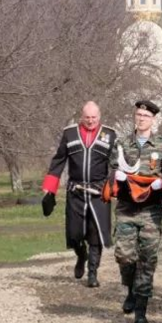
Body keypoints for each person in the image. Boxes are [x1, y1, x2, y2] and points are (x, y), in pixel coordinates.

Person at [106, 100, 162, 323]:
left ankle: (141, 308)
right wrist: (117, 176)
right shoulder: (122, 143)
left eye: (146, 115)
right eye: (139, 114)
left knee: (148, 259)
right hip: (126, 208)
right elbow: (111, 169)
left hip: (151, 210)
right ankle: (131, 287)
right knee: (124, 255)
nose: (141, 118)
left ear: (153, 119)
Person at [41, 101, 118, 289]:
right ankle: (81, 255)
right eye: (87, 118)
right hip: (75, 192)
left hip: (99, 192)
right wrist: (50, 189)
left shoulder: (109, 134)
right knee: (74, 234)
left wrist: (113, 185)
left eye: (94, 118)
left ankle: (93, 273)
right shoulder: (70, 133)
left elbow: (116, 164)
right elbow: (58, 161)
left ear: (99, 117)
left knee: (96, 234)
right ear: (81, 116)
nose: (90, 121)